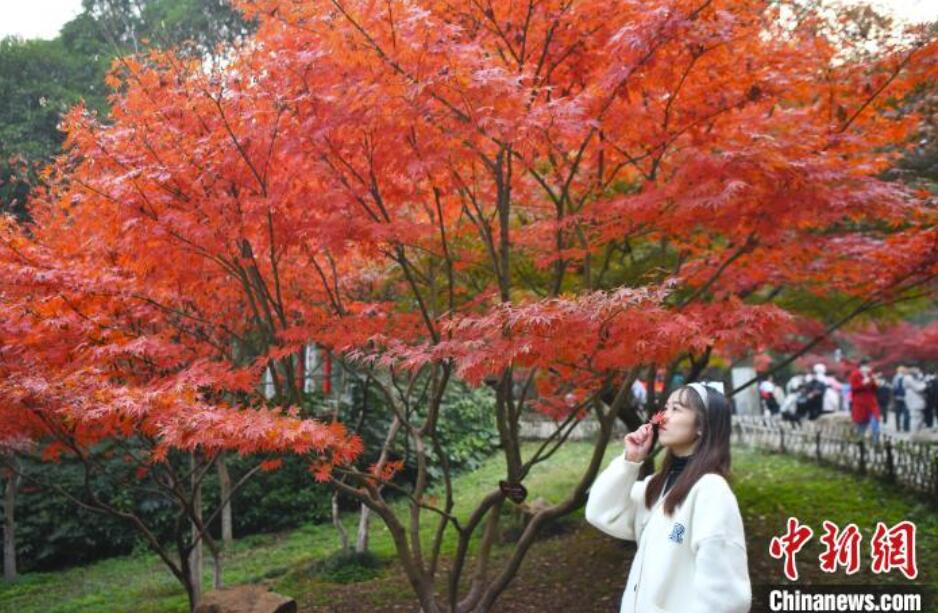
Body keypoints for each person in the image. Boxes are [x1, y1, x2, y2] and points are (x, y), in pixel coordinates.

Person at [585, 382, 751, 613]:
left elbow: (725, 598)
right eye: (666, 407)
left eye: (677, 409)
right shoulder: (655, 486)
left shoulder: (710, 491)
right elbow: (600, 513)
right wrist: (629, 461)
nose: (663, 417)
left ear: (702, 426)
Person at [849, 359, 880, 445]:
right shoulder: (855, 375)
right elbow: (854, 388)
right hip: (860, 404)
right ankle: (860, 443)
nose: (868, 368)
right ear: (861, 367)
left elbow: (875, 389)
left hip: (872, 403)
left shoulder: (871, 375)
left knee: (875, 423)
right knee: (861, 425)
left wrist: (875, 382)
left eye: (869, 367)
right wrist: (864, 383)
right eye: (866, 366)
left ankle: (875, 443)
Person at [903, 367, 928, 433]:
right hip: (914, 402)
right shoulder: (908, 378)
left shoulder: (912, 378)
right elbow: (918, 388)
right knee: (915, 419)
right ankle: (914, 434)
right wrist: (925, 383)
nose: (918, 372)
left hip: (916, 401)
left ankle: (916, 434)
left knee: (919, 418)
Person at [892, 366, 909, 432]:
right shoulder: (906, 377)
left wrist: (894, 395)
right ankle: (906, 427)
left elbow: (894, 388)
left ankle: (898, 427)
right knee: (906, 412)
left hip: (898, 397)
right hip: (905, 397)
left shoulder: (895, 377)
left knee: (897, 413)